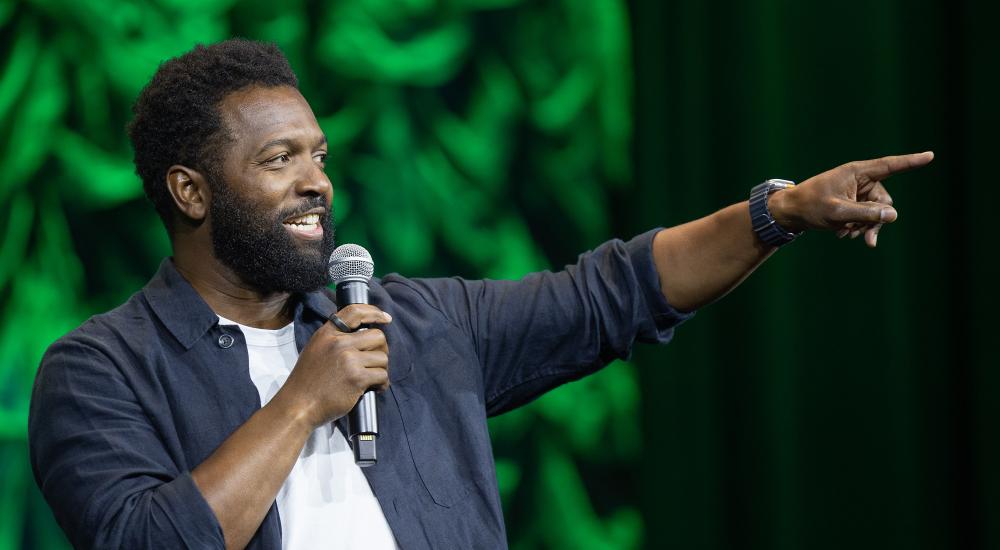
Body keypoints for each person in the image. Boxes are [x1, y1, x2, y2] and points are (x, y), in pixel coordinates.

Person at [27, 39, 933, 550]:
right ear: (190, 192)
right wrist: (303, 403)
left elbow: (609, 292)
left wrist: (777, 213)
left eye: (320, 158)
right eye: (278, 161)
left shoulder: (413, 323)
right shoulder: (101, 371)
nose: (317, 184)